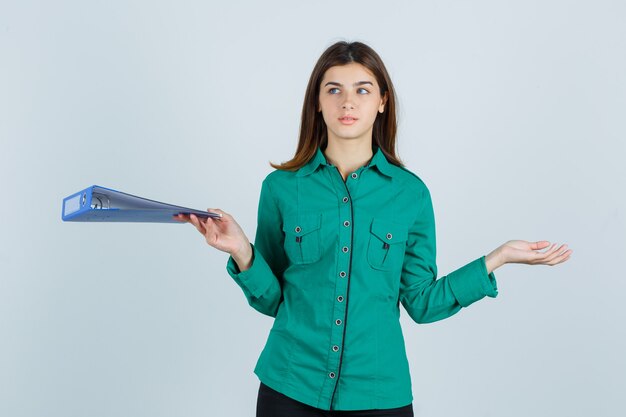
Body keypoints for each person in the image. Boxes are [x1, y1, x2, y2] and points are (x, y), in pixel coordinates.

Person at [175, 40, 572, 417]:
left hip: (379, 393)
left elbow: (421, 302)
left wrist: (496, 259)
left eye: (363, 90)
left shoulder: (410, 195)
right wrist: (243, 252)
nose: (347, 101)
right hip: (289, 386)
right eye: (334, 89)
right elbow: (273, 301)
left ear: (382, 101)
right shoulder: (281, 188)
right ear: (317, 101)